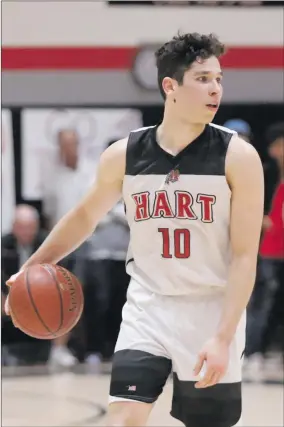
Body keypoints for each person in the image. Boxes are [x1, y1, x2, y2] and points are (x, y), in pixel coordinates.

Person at [5, 33, 264, 427]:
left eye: (219, 78)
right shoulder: (125, 155)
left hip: (212, 309)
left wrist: (223, 337)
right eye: (203, 78)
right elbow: (84, 217)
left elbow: (246, 256)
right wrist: (31, 270)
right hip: (149, 306)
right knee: (125, 418)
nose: (215, 88)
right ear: (170, 86)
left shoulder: (238, 157)